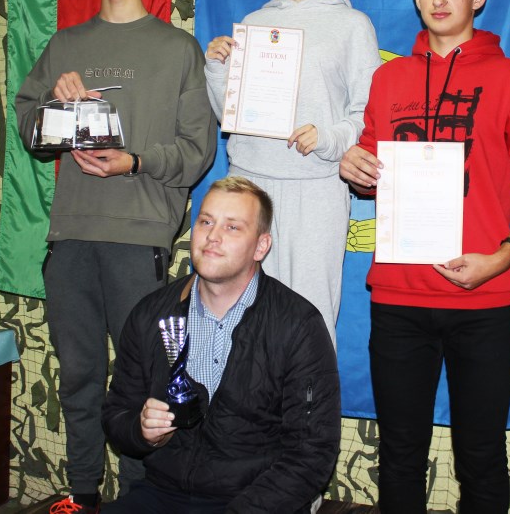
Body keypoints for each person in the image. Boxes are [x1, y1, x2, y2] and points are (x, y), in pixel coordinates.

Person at [340, 0, 510, 513]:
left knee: (481, 455)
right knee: (399, 454)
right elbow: (372, 170)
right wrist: (357, 168)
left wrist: (505, 255)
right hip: (398, 299)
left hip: (483, 299)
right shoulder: (388, 80)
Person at [15, 0, 217, 514]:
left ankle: (137, 499)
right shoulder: (66, 45)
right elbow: (29, 132)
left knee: (142, 383)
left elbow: (198, 153)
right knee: (77, 377)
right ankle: (82, 495)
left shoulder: (179, 49)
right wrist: (55, 103)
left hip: (140, 240)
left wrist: (133, 161)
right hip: (71, 237)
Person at [204, 0, 380, 346]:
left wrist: (327, 137)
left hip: (315, 188)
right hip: (249, 182)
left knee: (309, 321)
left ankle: (309, 399)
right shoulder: (255, 23)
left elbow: (367, 115)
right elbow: (230, 115)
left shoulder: (352, 25)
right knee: (238, 320)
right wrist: (218, 67)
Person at [102, 176, 341, 513]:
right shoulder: (151, 314)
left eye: (232, 227)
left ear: (261, 246)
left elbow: (312, 454)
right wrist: (141, 431)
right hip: (162, 494)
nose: (213, 236)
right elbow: (117, 413)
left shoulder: (298, 325)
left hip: (258, 503)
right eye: (206, 222)